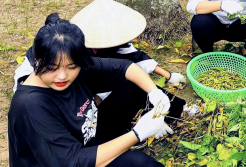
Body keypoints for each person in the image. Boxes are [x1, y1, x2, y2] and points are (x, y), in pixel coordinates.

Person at [8, 16, 171, 166]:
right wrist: (138, 133)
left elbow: (125, 67)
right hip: (71, 161)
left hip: (87, 138)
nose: (62, 76)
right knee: (141, 164)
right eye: (52, 68)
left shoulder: (77, 68)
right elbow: (72, 163)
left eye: (71, 67)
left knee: (133, 86)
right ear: (36, 61)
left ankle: (176, 113)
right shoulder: (30, 105)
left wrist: (154, 93)